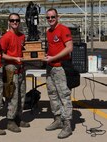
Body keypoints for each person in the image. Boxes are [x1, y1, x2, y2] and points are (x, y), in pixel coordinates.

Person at [42, 8, 73, 139]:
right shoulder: (48, 31)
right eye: (48, 18)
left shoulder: (63, 29)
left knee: (63, 96)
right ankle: (58, 119)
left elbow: (69, 48)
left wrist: (53, 58)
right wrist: (46, 56)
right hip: (50, 67)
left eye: (52, 17)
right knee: (52, 94)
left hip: (60, 68)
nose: (50, 20)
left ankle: (67, 125)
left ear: (57, 17)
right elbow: (51, 48)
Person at [0, 13, 30, 133]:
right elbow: (1, 54)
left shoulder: (22, 36)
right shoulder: (6, 37)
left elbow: (25, 51)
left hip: (21, 69)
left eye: (17, 20)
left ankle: (18, 117)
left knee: (21, 95)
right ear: (9, 22)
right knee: (11, 96)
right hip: (10, 69)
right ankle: (10, 120)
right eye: (12, 20)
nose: (15, 22)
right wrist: (14, 58)